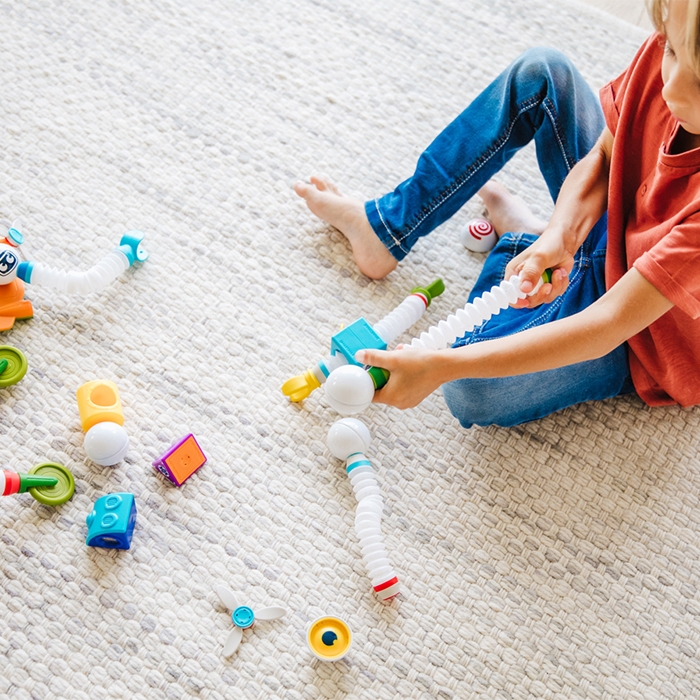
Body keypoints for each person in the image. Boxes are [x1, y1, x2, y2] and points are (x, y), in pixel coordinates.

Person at [294, 0, 700, 429]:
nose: (670, 88)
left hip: (642, 330)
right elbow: (603, 156)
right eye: (671, 50)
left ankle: (521, 237)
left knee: (469, 387)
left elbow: (608, 323)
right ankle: (389, 228)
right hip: (621, 222)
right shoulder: (671, 48)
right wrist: (561, 236)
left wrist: (438, 366)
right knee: (540, 72)